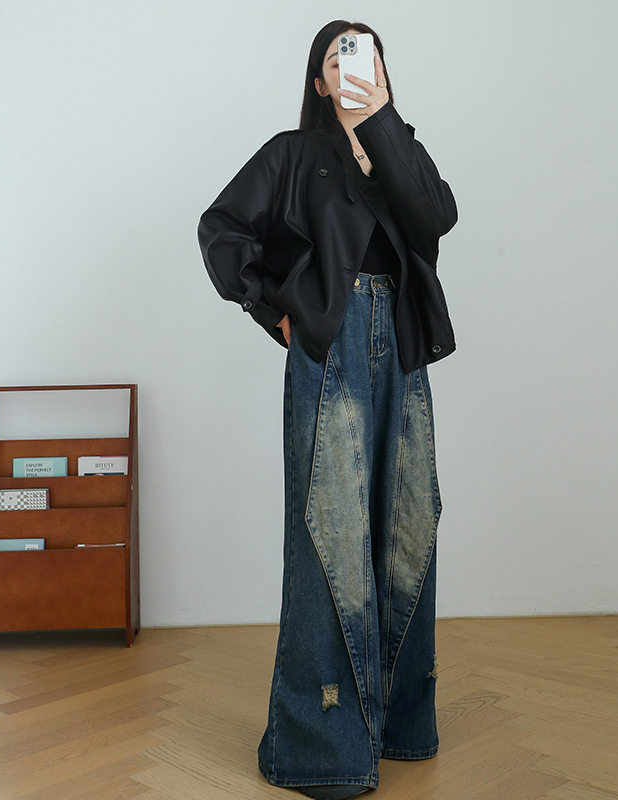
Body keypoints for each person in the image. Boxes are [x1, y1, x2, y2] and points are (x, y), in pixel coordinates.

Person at [198, 19, 458, 800]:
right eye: (338, 59)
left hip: (401, 343)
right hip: (332, 342)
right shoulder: (291, 154)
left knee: (409, 525)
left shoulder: (400, 148)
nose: (353, 68)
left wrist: (379, 126)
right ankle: (321, 748)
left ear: (382, 72)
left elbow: (436, 218)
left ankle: (401, 725)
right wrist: (271, 309)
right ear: (318, 80)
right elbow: (221, 228)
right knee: (332, 529)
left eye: (367, 55)